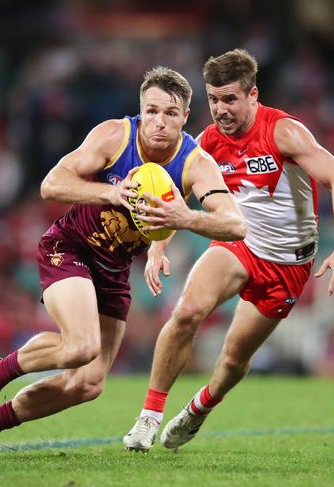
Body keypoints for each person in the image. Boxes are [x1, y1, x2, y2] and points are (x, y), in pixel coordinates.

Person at [0, 67, 246, 464]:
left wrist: (178, 225)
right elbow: (51, 184)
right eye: (152, 111)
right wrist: (112, 192)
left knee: (88, 383)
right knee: (81, 345)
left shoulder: (196, 162)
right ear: (141, 110)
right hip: (70, 248)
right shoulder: (115, 135)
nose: (159, 122)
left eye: (171, 114)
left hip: (114, 269)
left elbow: (234, 224)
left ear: (185, 117)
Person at [123, 48, 334, 452]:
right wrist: (157, 249)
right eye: (214, 99)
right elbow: (174, 197)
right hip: (238, 245)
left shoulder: (284, 132)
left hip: (288, 264)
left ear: (253, 95)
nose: (220, 109)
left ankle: (201, 407)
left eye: (230, 99)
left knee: (234, 359)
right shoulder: (207, 142)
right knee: (186, 312)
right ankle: (148, 417)